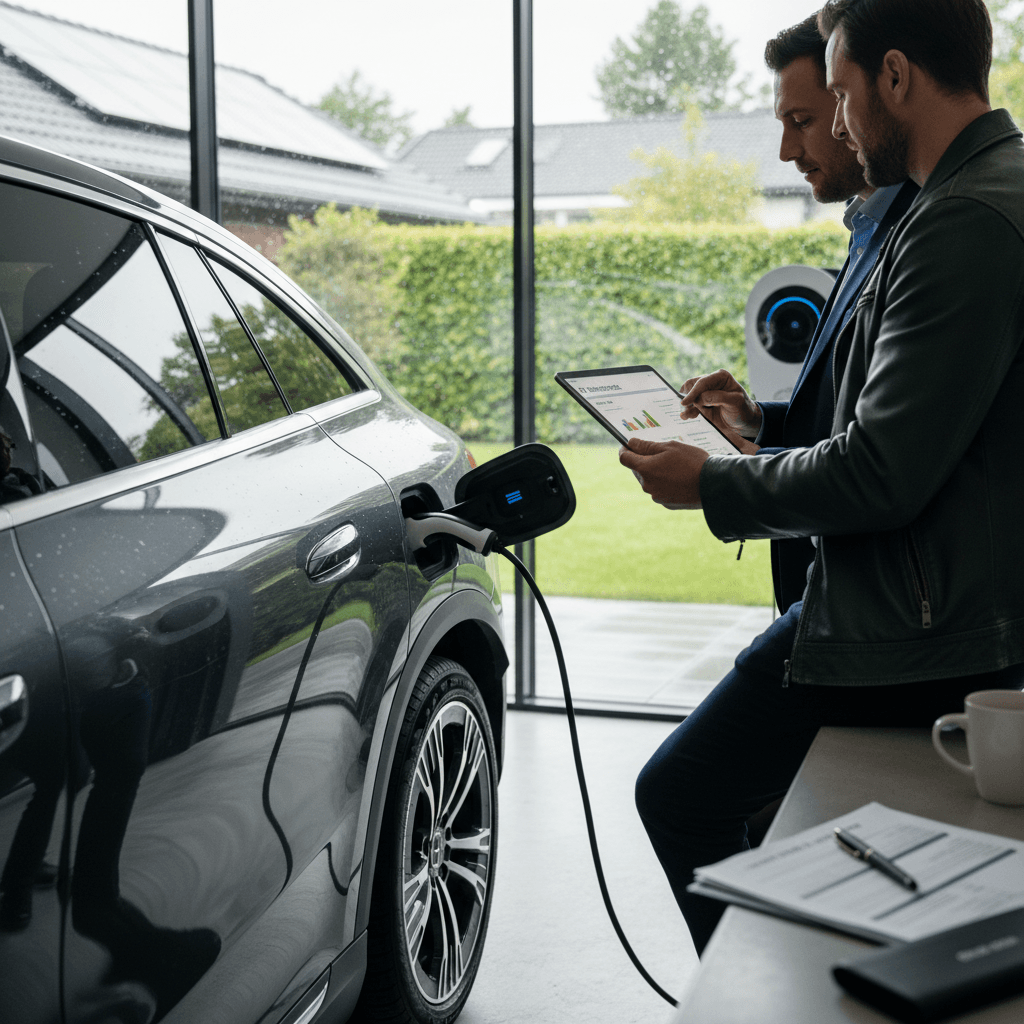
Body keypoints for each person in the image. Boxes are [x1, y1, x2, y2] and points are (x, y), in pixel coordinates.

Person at [623, 0, 1024, 957]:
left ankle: (767, 1000)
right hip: (944, 597)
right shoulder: (963, 198)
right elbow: (910, 417)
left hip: (923, 619)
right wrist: (760, 431)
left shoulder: (962, 218)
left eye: (839, 97)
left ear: (895, 78)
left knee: (683, 795)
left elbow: (883, 470)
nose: (836, 126)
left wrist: (710, 486)